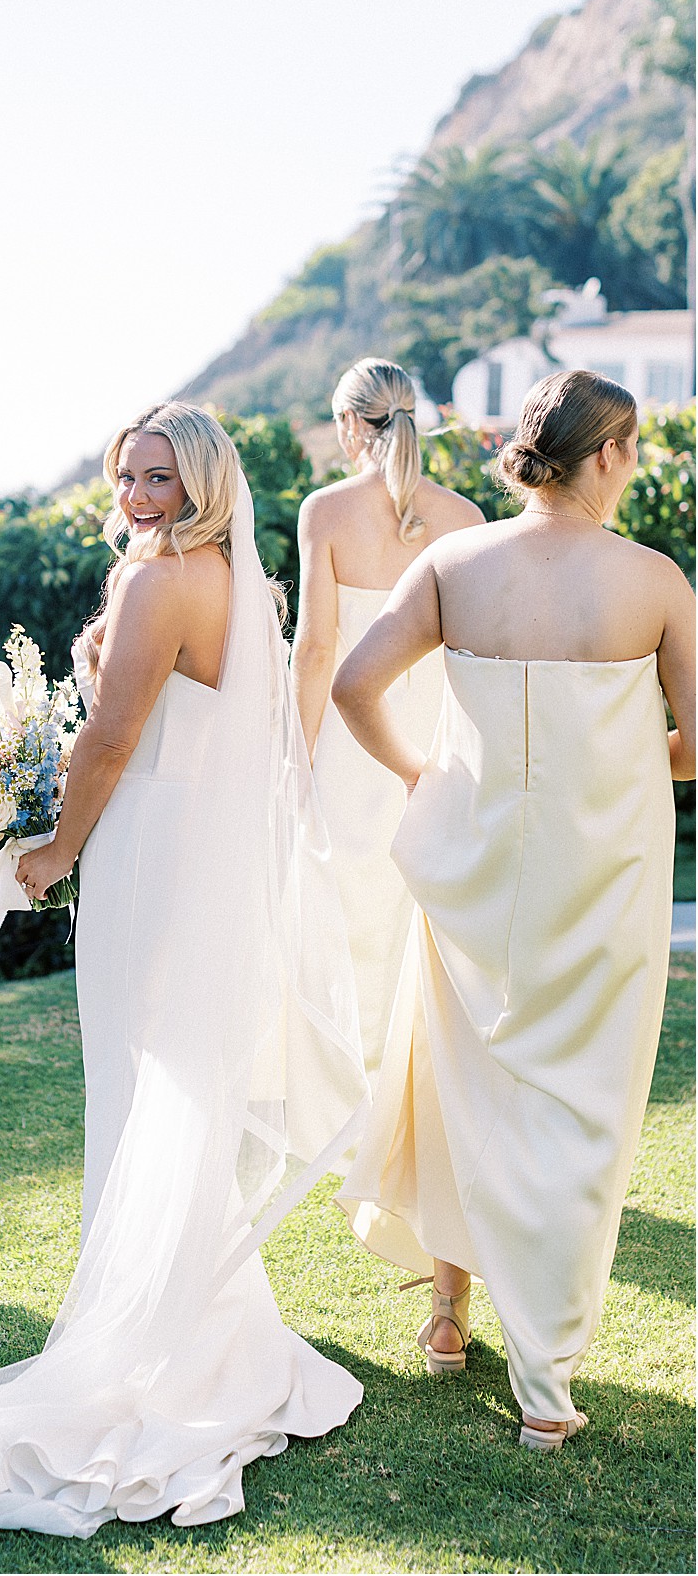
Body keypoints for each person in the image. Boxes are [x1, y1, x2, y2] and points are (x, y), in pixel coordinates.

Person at [0, 402, 370, 1540]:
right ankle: (195, 1318)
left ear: (203, 485)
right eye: (127, 475)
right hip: (202, 853)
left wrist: (53, 851)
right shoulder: (242, 582)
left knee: (141, 1085)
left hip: (147, 851)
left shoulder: (157, 581)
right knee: (172, 1083)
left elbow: (112, 736)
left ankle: (150, 1341)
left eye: (159, 478)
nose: (137, 496)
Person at [333, 369, 695, 1450]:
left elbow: (352, 686)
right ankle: (544, 1383)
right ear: (608, 453)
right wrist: (618, 758)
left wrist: (420, 775)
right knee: (582, 1106)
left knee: (457, 1075)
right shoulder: (652, 580)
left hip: (472, 861)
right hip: (601, 877)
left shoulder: (454, 563)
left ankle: (446, 1315)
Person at [291, 358, 482, 1080]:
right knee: (422, 916)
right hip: (435, 746)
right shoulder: (465, 518)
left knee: (344, 915)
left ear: (348, 423)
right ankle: (417, 1085)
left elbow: (315, 650)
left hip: (348, 743)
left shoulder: (325, 510)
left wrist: (296, 753)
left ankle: (346, 1086)